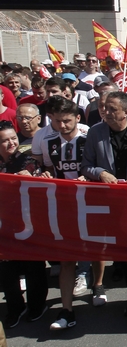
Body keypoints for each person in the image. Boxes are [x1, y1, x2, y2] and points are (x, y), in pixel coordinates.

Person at [81, 91, 127, 332]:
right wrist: (100, 173)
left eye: (113, 109)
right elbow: (86, 165)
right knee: (122, 257)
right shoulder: (95, 133)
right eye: (105, 108)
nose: (107, 113)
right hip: (109, 203)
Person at [40, 98, 107, 330]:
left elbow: (99, 167)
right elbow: (49, 168)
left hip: (90, 202)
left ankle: (98, 284)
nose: (62, 125)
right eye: (57, 121)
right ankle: (67, 310)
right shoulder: (49, 143)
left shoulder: (89, 139)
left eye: (67, 120)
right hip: (64, 204)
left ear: (78, 118)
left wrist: (88, 176)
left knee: (97, 247)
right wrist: (46, 175)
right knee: (67, 256)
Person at [0, 121, 48, 330]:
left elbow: (38, 186)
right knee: (6, 269)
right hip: (3, 224)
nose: (11, 143)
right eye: (5, 140)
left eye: (13, 138)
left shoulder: (27, 160)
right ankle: (15, 307)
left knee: (32, 265)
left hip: (27, 221)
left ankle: (37, 305)